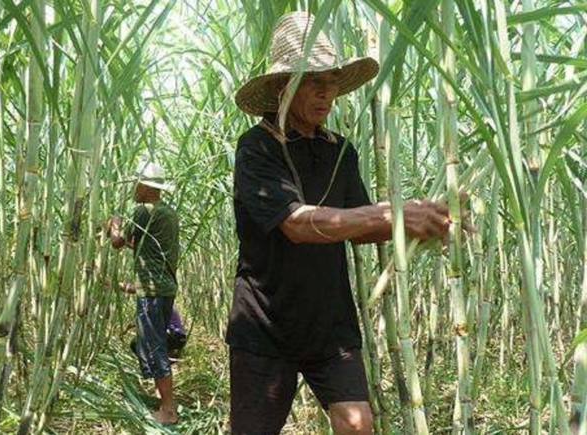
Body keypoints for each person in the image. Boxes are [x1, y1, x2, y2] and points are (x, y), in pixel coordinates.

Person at [227, 12, 463, 435]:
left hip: (330, 324)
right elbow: (296, 224)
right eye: (313, 79)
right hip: (265, 325)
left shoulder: (340, 150)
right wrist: (394, 213)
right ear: (283, 85)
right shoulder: (256, 148)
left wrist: (422, 220)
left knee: (358, 426)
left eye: (332, 79)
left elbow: (362, 228)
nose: (326, 92)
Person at [108, 161, 180, 425]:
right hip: (164, 288)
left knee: (154, 347)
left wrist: (114, 224)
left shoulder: (143, 212)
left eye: (136, 184)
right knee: (152, 343)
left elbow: (117, 242)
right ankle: (162, 393)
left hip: (151, 291)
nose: (133, 189)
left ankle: (168, 410)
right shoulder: (167, 213)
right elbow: (142, 246)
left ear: (147, 187)